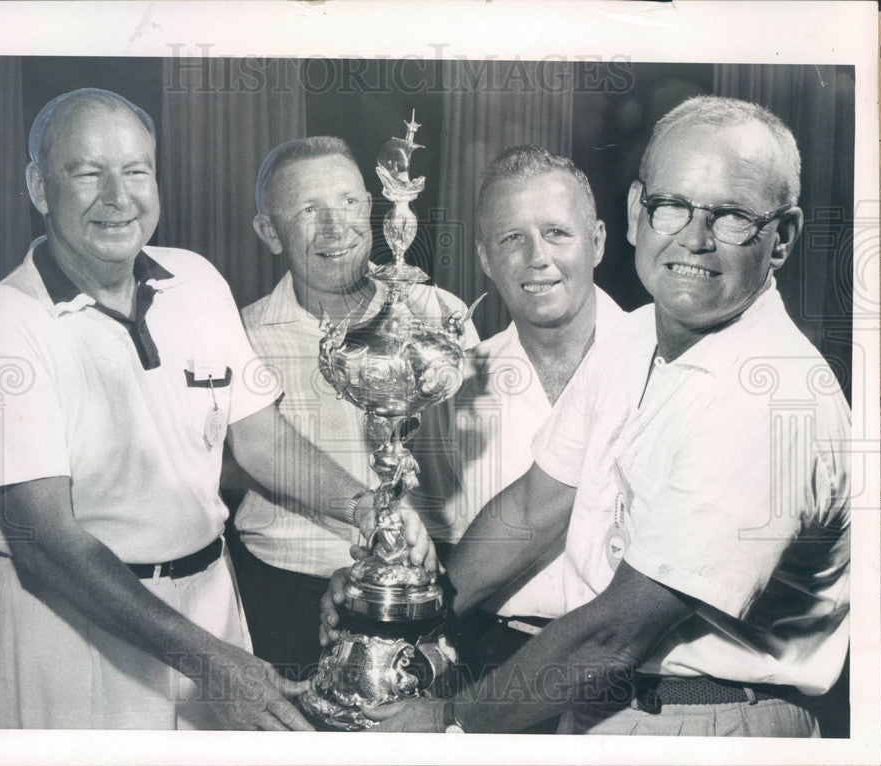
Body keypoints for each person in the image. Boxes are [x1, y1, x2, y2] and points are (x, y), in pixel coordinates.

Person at [322, 96, 850, 736]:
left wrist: (448, 723)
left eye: (734, 216)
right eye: (672, 207)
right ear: (635, 214)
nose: (694, 238)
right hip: (601, 705)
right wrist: (406, 614)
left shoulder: (764, 394)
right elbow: (533, 508)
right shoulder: (634, 342)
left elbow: (616, 633)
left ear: (783, 237)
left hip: (706, 719)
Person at [0, 89, 434, 730]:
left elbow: (259, 438)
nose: (118, 197)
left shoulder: (198, 281)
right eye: (88, 173)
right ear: (41, 186)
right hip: (72, 626)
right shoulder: (0, 323)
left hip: (209, 604)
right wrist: (209, 661)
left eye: (136, 171)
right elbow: (45, 538)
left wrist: (362, 505)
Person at [229, 136, 478, 678]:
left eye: (347, 202)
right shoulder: (240, 336)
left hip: (423, 590)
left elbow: (477, 462)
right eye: (307, 211)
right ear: (270, 232)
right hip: (286, 596)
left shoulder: (439, 315)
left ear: (371, 207)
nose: (336, 227)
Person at [432, 147, 626, 680]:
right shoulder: (453, 384)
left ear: (598, 241)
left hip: (637, 669)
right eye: (511, 239)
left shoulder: (662, 361)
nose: (537, 256)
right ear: (485, 260)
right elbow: (431, 546)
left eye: (557, 232)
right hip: (492, 655)